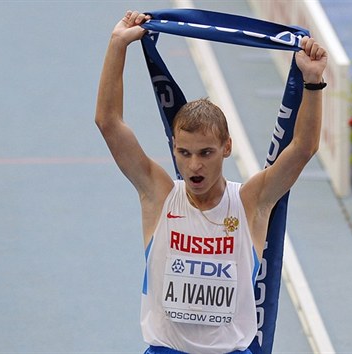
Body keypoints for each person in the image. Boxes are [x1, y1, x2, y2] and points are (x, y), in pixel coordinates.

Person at [95, 10, 328, 354]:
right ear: (174, 149)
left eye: (206, 152)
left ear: (226, 148)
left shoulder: (251, 201)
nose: (194, 165)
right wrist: (117, 44)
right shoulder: (158, 195)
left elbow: (303, 148)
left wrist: (313, 82)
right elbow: (108, 122)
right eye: (184, 153)